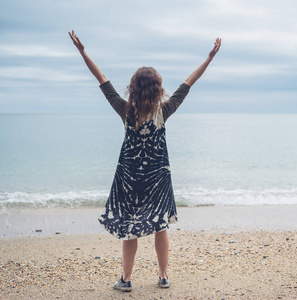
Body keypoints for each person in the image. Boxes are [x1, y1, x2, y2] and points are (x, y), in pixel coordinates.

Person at [68, 30, 221, 292]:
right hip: (158, 178)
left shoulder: (125, 109)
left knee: (131, 229)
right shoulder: (165, 110)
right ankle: (163, 276)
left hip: (130, 179)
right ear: (157, 88)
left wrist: (83, 52)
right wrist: (209, 58)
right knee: (160, 226)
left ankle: (126, 280)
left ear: (134, 88)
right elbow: (188, 83)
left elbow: (102, 79)